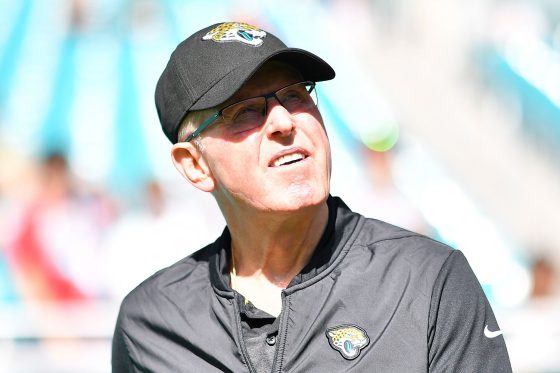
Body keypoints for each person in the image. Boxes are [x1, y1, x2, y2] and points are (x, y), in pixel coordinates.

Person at [112, 22, 512, 372]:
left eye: (295, 95)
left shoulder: (428, 281)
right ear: (194, 165)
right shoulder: (150, 324)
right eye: (245, 110)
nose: (285, 121)